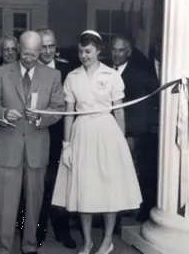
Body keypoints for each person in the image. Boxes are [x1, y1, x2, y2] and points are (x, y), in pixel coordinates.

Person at [52, 30, 142, 254]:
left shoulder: (111, 75)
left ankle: (107, 240)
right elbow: (69, 114)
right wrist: (66, 145)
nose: (84, 55)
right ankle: (87, 241)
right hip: (82, 134)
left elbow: (119, 112)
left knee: (107, 188)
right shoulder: (72, 77)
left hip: (107, 133)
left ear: (99, 51)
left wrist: (120, 144)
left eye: (89, 51)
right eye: (81, 51)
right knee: (85, 188)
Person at [0, 30, 65, 254]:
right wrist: (2, 113)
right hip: (8, 146)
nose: (29, 58)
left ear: (41, 51)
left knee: (34, 203)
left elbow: (59, 109)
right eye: (26, 53)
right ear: (19, 48)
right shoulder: (1, 73)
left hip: (37, 147)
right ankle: (3, 249)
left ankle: (29, 247)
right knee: (5, 204)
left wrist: (41, 117)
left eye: (34, 54)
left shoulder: (53, 76)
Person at [110, 34, 159, 222]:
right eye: (114, 49)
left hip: (130, 134)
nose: (116, 54)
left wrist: (132, 136)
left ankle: (124, 216)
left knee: (128, 177)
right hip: (106, 132)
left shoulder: (140, 75)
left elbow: (145, 107)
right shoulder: (104, 70)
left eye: (121, 50)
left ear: (129, 52)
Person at [36, 28, 76, 249]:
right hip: (37, 134)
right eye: (44, 46)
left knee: (61, 184)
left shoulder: (67, 69)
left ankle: (63, 229)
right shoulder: (29, 70)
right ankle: (37, 230)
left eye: (52, 46)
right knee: (38, 185)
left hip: (62, 135)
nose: (48, 50)